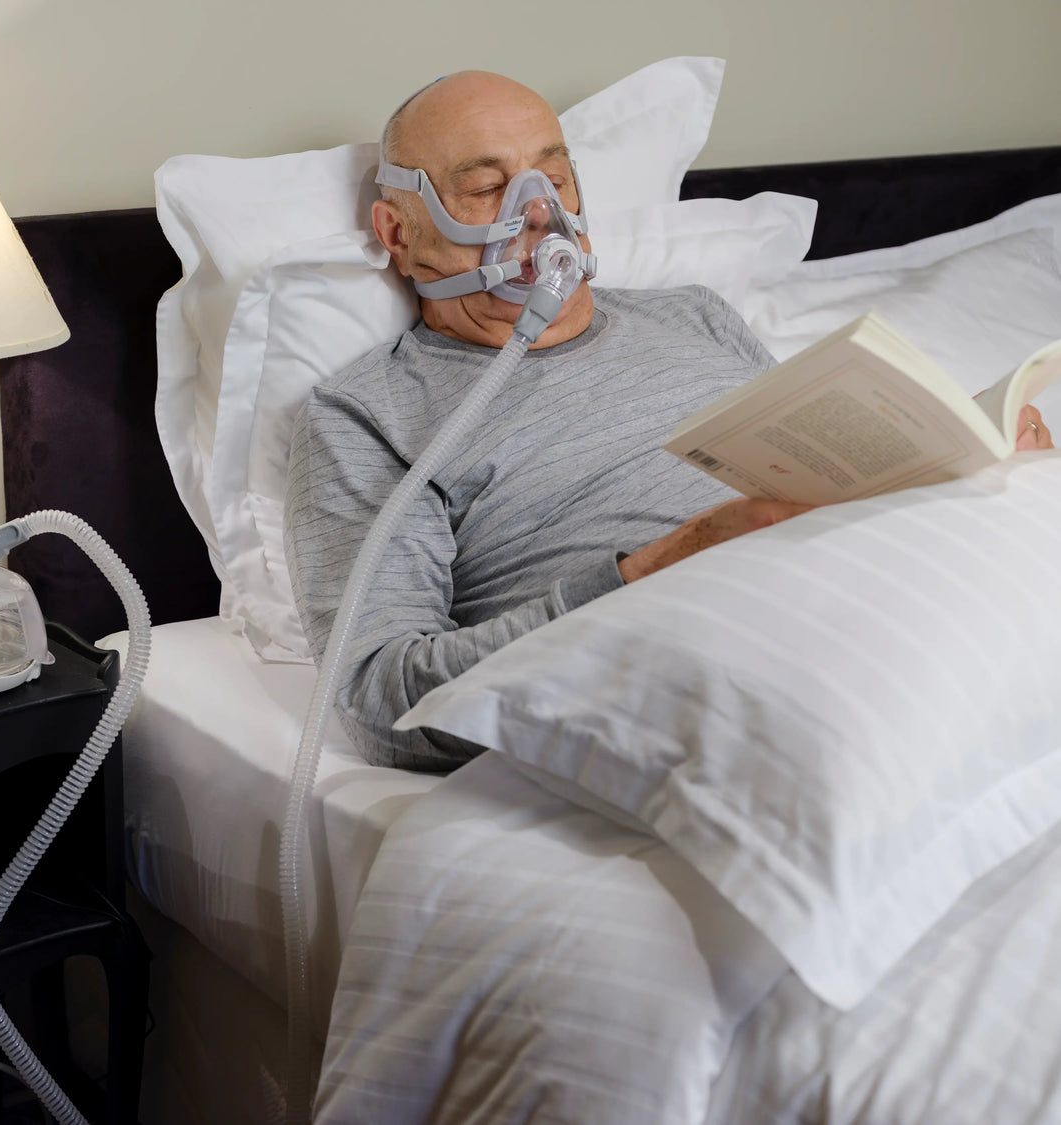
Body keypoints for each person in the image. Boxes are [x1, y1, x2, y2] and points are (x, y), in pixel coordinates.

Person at [283, 70, 1053, 772]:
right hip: (708, 664)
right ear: (398, 235)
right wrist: (649, 572)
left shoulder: (693, 315)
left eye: (553, 179)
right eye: (486, 188)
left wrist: (980, 470)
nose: (539, 215)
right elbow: (383, 700)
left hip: (897, 593)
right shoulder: (368, 414)